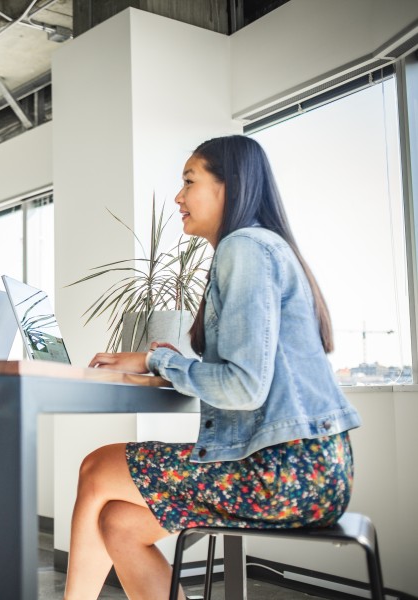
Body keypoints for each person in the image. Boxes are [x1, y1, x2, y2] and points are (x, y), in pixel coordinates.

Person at [64, 135, 362, 600]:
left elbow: (244, 387)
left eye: (188, 182)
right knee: (118, 522)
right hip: (314, 471)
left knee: (96, 467)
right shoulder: (262, 248)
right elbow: (249, 374)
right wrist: (167, 363)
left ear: (230, 186)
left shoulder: (245, 248)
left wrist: (159, 360)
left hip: (285, 472)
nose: (179, 198)